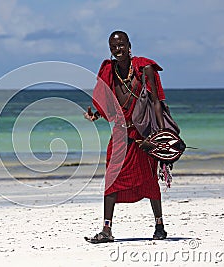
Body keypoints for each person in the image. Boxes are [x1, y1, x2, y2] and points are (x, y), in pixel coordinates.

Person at [84, 30, 168, 243]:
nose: (117, 50)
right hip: (121, 133)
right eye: (113, 47)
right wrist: (96, 115)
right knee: (111, 178)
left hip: (143, 134)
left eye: (121, 45)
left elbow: (156, 102)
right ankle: (106, 230)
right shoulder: (109, 71)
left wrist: (161, 133)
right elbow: (106, 104)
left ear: (129, 46)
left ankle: (159, 225)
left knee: (149, 179)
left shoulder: (144, 68)